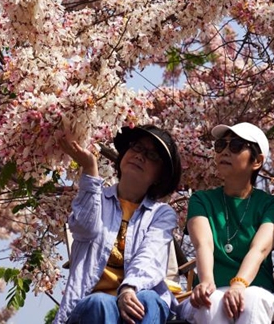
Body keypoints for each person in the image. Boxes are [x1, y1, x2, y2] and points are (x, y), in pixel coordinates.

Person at [52, 124, 183, 324]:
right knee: (101, 303)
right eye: (136, 147)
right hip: (91, 308)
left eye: (152, 155)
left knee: (149, 298)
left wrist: (128, 289)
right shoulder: (98, 199)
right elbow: (83, 228)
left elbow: (150, 258)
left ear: (160, 176)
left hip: (137, 299)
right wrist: (89, 169)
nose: (140, 156)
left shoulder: (161, 214)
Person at [178, 122, 274, 324]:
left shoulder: (270, 204)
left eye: (236, 146)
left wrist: (239, 285)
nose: (225, 151)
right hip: (212, 287)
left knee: (252, 299)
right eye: (221, 145)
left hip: (257, 289)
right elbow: (204, 245)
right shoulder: (201, 200)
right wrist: (207, 282)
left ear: (257, 161)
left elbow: (259, 250)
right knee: (211, 301)